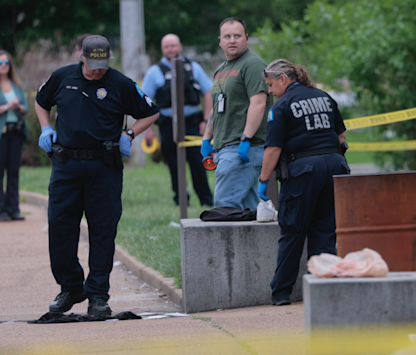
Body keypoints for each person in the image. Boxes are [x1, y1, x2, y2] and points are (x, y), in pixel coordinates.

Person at [35, 35, 159, 316]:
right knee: (60, 229)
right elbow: (42, 102)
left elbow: (151, 113)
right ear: (82, 57)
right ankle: (71, 288)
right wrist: (45, 128)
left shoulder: (120, 83)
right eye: (93, 64)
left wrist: (129, 134)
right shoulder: (62, 77)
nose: (97, 70)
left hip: (104, 168)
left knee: (103, 232)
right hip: (66, 166)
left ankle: (98, 296)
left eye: (103, 65)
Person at [257, 59, 350, 306]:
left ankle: (281, 293)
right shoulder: (324, 96)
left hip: (303, 171)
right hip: (335, 168)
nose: (269, 91)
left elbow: (273, 149)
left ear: (283, 79)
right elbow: (341, 136)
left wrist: (263, 181)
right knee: (325, 230)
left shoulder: (281, 106)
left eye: (270, 85)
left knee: (293, 230)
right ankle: (324, 288)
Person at [201, 17, 272, 210]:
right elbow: (216, 108)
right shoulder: (221, 70)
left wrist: (246, 138)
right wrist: (207, 139)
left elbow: (258, 103)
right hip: (226, 148)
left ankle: (223, 243)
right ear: (220, 41)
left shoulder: (253, 64)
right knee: (247, 210)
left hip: (244, 149)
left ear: (246, 39)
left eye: (237, 36)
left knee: (225, 208)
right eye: (227, 36)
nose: (232, 40)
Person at [142, 34, 213, 206]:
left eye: (173, 46)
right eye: (167, 47)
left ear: (180, 46)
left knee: (198, 163)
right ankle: (181, 201)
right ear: (162, 50)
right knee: (174, 166)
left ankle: (206, 200)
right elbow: (145, 102)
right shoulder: (154, 72)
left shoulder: (193, 68)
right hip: (167, 124)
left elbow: (208, 93)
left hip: (193, 124)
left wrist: (206, 121)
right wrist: (148, 130)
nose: (171, 49)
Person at [0, 50, 29, 222]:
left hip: (16, 133)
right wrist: (7, 107)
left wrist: (18, 107)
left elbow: (25, 108)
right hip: (1, 135)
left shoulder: (16, 85)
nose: (3, 66)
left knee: (14, 172)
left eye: (6, 63)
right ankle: (1, 210)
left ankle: (14, 209)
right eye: (0, 63)